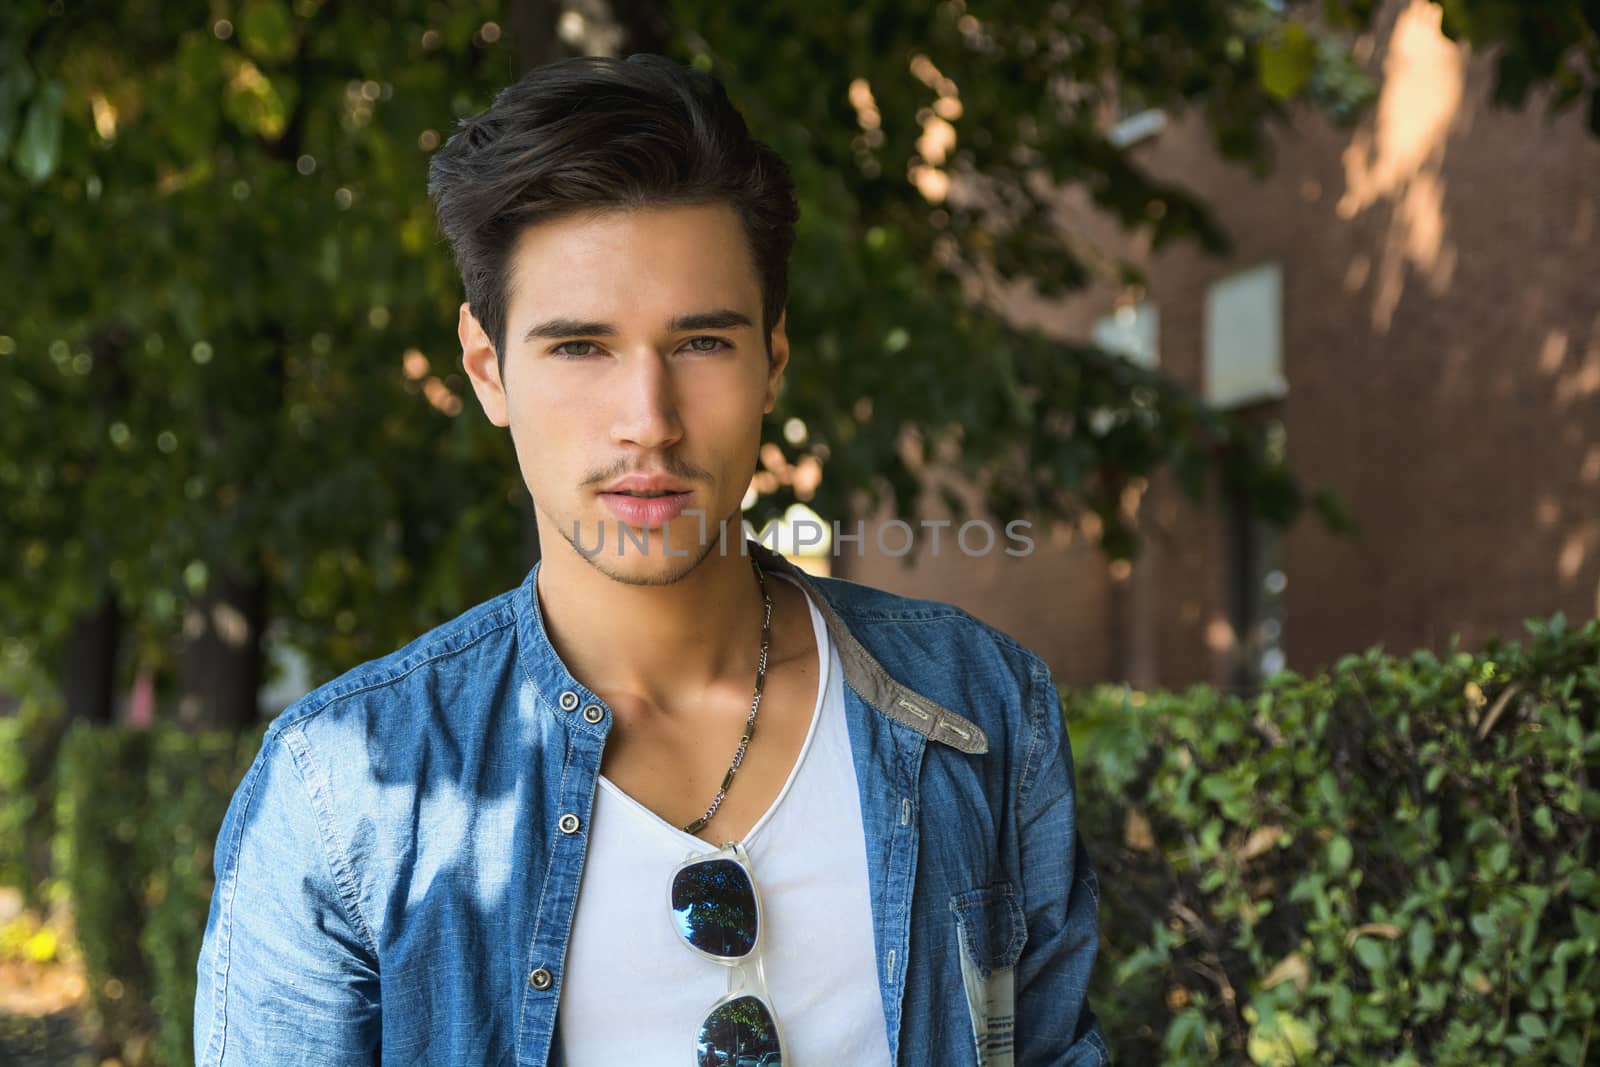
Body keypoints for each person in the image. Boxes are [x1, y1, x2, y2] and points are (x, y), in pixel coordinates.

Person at [194, 53, 1106, 1066]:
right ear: (487, 367)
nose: (649, 421)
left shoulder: (984, 706)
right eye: (579, 346)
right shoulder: (344, 791)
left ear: (772, 359)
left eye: (702, 343)